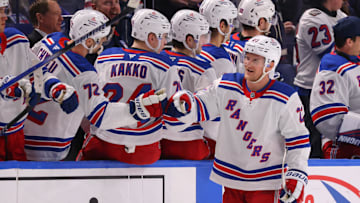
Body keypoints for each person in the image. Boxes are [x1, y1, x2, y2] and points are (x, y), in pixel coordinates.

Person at [166, 35, 310, 202]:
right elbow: (201, 105)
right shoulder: (226, 85)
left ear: (270, 64)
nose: (247, 63)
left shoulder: (286, 97)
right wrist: (185, 104)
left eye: (255, 60)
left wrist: (297, 174)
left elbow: (298, 140)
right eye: (247, 58)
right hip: (231, 179)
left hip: (266, 183)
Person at [28, 9, 166, 161]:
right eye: (100, 39)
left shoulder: (50, 40)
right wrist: (135, 110)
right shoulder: (84, 73)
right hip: (48, 147)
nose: (102, 43)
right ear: (88, 41)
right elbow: (101, 115)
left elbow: (27, 66)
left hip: (23, 129)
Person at [81, 8, 183, 165]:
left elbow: (89, 105)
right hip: (143, 149)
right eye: (162, 37)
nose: (165, 42)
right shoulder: (164, 65)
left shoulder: (104, 58)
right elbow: (174, 116)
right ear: (151, 37)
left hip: (101, 143)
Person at [0, 0, 79, 161]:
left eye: (4, 11)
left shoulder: (17, 39)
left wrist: (55, 87)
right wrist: (6, 86)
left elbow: (36, 73)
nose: (4, 17)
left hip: (16, 135)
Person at [160, 9, 216, 160]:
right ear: (189, 40)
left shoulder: (157, 61)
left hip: (157, 141)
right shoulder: (202, 68)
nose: (205, 41)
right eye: (202, 36)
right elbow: (210, 119)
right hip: (189, 143)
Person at [295, 0, 346, 158]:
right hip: (310, 90)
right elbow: (332, 55)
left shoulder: (341, 15)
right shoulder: (312, 18)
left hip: (335, 91)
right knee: (312, 144)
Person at [310, 16, 360, 159]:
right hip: (344, 149)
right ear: (349, 42)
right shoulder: (332, 70)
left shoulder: (354, 59)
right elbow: (327, 119)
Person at [197, 0, 237, 159]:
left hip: (192, 131)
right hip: (212, 136)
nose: (232, 28)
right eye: (231, 23)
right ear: (222, 25)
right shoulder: (221, 59)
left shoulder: (195, 51)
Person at [223, 0, 276, 73]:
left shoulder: (228, 39)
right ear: (261, 22)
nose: (271, 23)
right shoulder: (259, 51)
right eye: (270, 19)